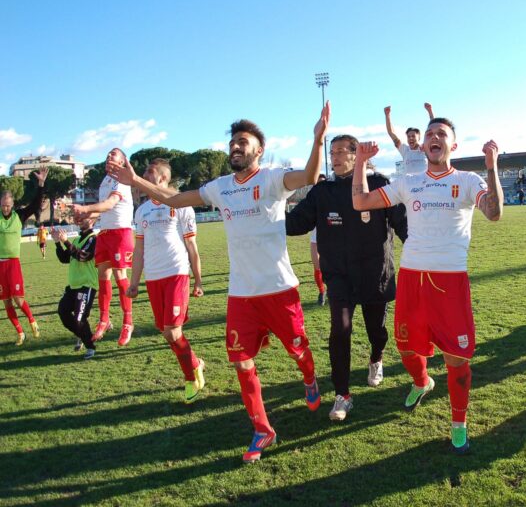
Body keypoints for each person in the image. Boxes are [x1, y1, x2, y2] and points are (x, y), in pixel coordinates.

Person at [107, 102, 330, 462]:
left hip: (279, 288)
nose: (236, 147)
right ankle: (262, 429)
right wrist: (135, 180)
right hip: (241, 294)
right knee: (241, 362)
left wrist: (318, 140)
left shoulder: (272, 178)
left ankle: (308, 378)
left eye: (243, 141)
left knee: (299, 351)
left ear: (259, 149)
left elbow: (307, 176)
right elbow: (176, 198)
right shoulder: (221, 187)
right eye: (233, 143)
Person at [351, 118, 503, 454]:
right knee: (406, 350)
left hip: (450, 283)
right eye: (429, 134)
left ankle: (459, 422)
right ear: (423, 146)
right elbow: (360, 202)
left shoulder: (467, 180)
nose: (434, 138)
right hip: (411, 280)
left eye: (441, 134)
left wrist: (491, 168)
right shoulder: (409, 182)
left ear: (453, 145)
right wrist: (360, 162)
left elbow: (493, 212)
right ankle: (422, 382)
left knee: (457, 360)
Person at [286, 134, 407, 422]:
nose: (335, 157)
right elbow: (295, 224)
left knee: (376, 330)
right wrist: (263, 211)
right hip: (339, 276)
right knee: (339, 330)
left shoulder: (378, 184)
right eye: (332, 152)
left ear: (357, 155)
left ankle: (376, 359)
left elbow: (402, 223)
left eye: (342, 151)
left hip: (375, 272)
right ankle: (342, 396)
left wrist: (420, 249)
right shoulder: (322, 191)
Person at [128, 158, 206, 403]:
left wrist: (198, 280)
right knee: (166, 332)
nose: (143, 174)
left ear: (161, 177)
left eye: (148, 171)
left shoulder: (181, 205)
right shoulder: (141, 211)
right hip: (153, 278)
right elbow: (138, 250)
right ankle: (196, 364)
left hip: (176, 273)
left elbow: (191, 245)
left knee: (173, 332)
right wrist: (134, 282)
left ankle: (191, 378)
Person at [71, 148, 135, 347]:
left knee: (120, 276)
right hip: (105, 233)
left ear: (123, 162)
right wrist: (86, 216)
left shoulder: (122, 180)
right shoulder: (105, 181)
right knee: (103, 277)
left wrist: (86, 208)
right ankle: (105, 319)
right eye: (108, 154)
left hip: (120, 233)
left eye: (114, 154)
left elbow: (109, 204)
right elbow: (102, 211)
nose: (109, 156)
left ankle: (128, 322)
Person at [1, 167, 47, 345]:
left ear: (12, 204)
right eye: (3, 204)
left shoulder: (18, 216)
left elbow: (35, 204)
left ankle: (32, 322)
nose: (5, 207)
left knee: (18, 300)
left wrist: (41, 184)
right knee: (6, 303)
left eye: (8, 204)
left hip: (13, 264)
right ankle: (20, 333)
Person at [52, 219, 98, 359]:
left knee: (80, 319)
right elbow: (64, 258)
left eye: (86, 218)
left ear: (93, 222)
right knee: (63, 311)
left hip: (87, 285)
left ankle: (90, 346)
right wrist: (57, 243)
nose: (82, 220)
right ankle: (82, 335)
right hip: (73, 286)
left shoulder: (94, 239)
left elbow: (83, 256)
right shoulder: (77, 239)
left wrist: (66, 242)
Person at [384, 103, 435, 175]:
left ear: (419, 137)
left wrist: (430, 111)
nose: (411, 138)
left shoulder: (425, 148)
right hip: (409, 184)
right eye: (408, 136)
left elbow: (434, 129)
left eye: (413, 136)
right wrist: (387, 115)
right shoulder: (404, 149)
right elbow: (391, 133)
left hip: (425, 183)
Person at [309, 174, 327, 306]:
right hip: (315, 239)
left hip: (331, 238)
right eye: (318, 183)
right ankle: (322, 291)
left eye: (322, 183)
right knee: (317, 267)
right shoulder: (311, 199)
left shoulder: (332, 198)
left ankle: (334, 291)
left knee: (333, 267)